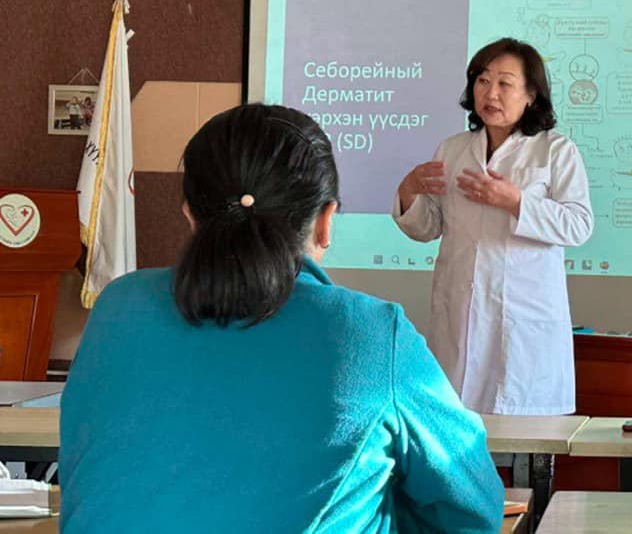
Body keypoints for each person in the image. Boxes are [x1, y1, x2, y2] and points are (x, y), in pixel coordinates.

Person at [60, 104, 504, 533]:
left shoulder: (117, 307)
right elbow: (473, 507)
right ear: (326, 221)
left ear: (190, 217)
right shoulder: (371, 332)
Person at [394, 38, 594, 415]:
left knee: (522, 432)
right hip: (460, 314)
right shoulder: (452, 149)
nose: (491, 93)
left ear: (531, 95)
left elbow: (578, 225)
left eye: (505, 83)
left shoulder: (555, 150)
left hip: (524, 322)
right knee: (456, 424)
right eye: (483, 81)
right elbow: (428, 228)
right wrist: (408, 191)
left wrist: (516, 202)